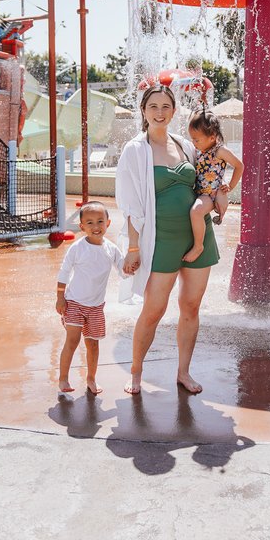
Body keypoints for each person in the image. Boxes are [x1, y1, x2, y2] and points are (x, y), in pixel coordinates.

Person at [115, 84, 220, 395]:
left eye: (166, 107)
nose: (159, 113)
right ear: (144, 112)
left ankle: (183, 372)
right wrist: (133, 248)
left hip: (198, 236)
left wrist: (220, 194)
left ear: (174, 111)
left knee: (190, 306)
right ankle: (136, 372)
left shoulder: (186, 145)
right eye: (153, 107)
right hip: (160, 240)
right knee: (154, 310)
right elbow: (131, 204)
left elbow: (207, 181)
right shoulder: (135, 149)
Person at [56, 201, 128, 394]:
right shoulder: (78, 248)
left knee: (93, 344)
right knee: (72, 341)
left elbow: (124, 271)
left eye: (100, 221)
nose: (95, 227)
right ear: (81, 227)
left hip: (96, 307)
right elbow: (64, 272)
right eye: (89, 223)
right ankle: (63, 379)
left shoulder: (111, 249)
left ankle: (91, 378)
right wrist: (60, 298)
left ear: (108, 223)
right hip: (74, 303)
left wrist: (135, 263)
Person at [183, 108, 244, 262]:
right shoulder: (200, 149)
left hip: (210, 195)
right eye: (192, 139)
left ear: (212, 137)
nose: (193, 143)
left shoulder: (220, 151)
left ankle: (198, 246)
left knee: (196, 212)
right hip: (200, 192)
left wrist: (229, 186)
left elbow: (239, 166)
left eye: (197, 139)